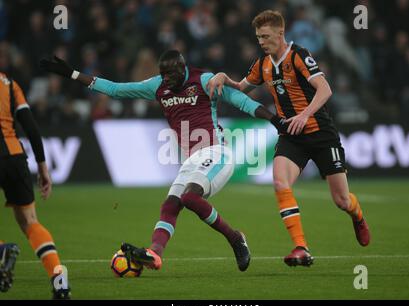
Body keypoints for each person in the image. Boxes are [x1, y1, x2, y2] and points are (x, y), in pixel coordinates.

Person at [40, 50, 288, 272]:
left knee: (190, 198)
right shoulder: (157, 86)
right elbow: (115, 89)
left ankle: (235, 239)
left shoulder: (203, 80)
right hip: (192, 159)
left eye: (171, 74)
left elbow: (241, 101)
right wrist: (71, 74)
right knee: (170, 205)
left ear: (183, 69)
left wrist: (274, 120)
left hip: (216, 152)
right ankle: (154, 254)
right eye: (163, 74)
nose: (167, 79)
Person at [207, 10, 370, 267]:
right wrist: (221, 77)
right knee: (280, 181)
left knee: (341, 200)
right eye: (258, 37)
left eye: (265, 36)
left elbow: (325, 89)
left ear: (280, 33)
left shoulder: (299, 55)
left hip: (320, 134)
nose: (261, 41)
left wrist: (304, 115)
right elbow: (240, 87)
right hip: (291, 136)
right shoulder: (263, 64)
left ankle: (357, 214)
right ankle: (301, 247)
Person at [0, 72, 70, 298]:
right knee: (30, 221)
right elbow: (30, 126)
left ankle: (2, 251)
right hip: (15, 156)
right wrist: (42, 167)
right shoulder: (9, 83)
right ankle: (60, 281)